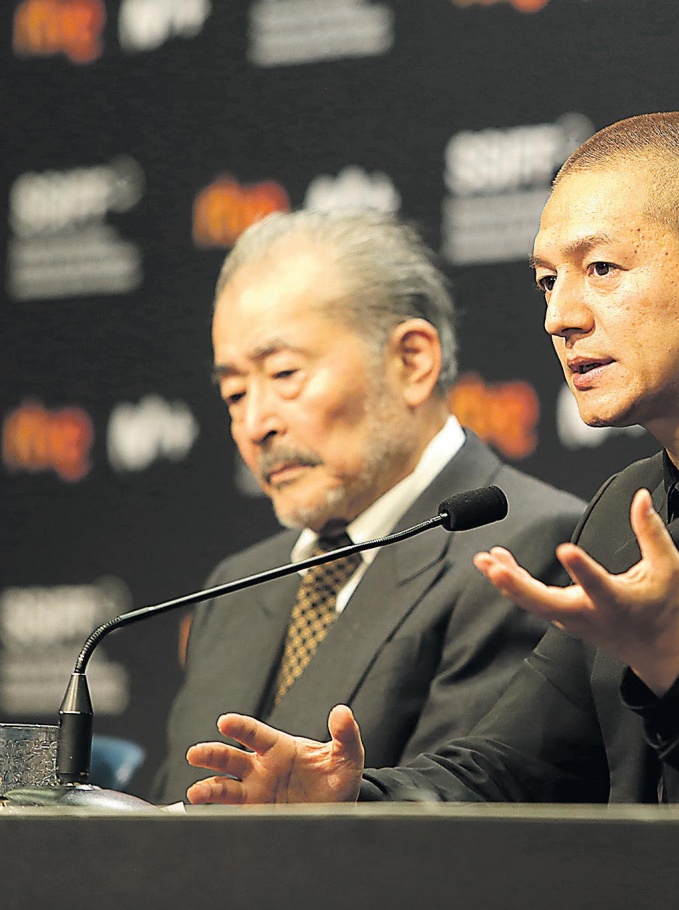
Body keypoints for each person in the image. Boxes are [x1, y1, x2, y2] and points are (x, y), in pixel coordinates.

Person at [184, 112, 679, 807]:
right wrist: (350, 798)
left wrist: (675, 662)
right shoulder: (621, 509)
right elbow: (507, 772)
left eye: (600, 269)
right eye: (547, 282)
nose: (560, 317)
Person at [150, 210, 585, 804]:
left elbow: (467, 816)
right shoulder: (236, 588)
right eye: (234, 393)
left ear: (411, 361)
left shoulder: (529, 548)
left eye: (284, 374)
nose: (255, 424)